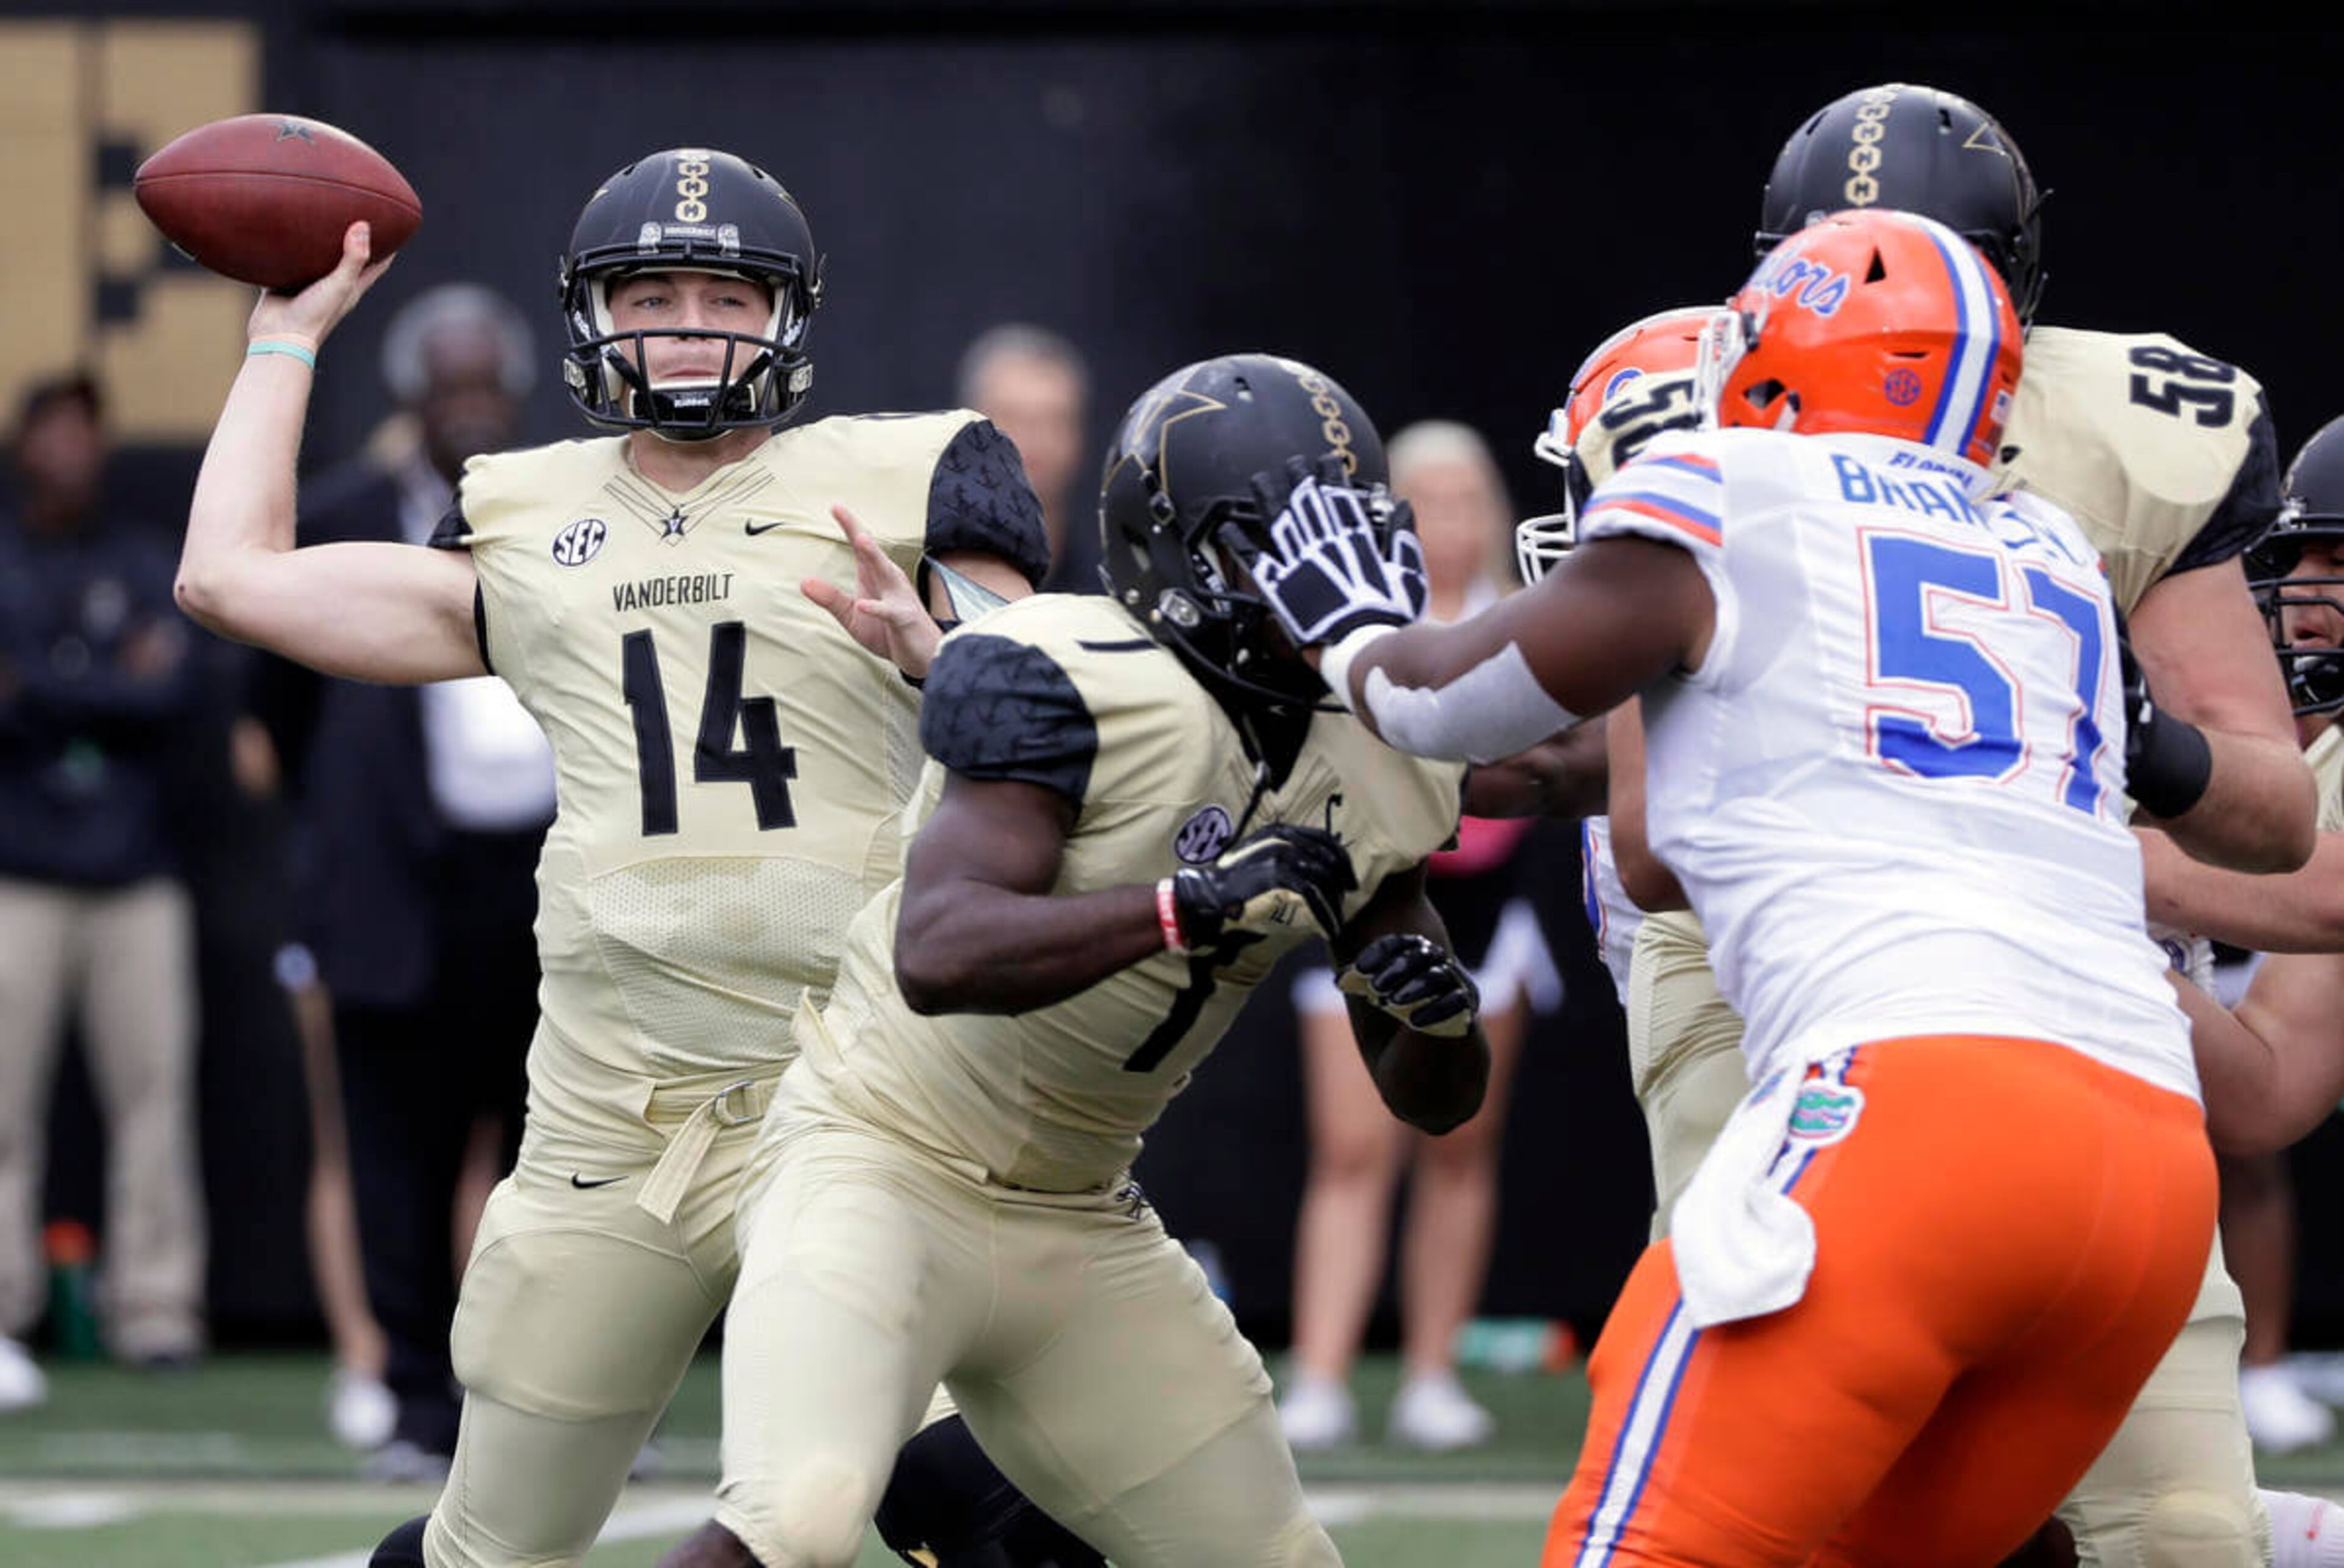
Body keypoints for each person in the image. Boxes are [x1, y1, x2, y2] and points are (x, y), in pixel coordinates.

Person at [1261, 206, 2218, 1563]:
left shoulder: (1733, 482)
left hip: (1922, 1106)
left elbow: (1450, 705)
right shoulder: (2051, 548)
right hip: (2150, 1167)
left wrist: (1353, 632)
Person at [174, 146, 1085, 1568]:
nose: (689, 329)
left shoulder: (911, 478)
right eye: (652, 297)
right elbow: (229, 577)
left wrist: (944, 659)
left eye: (726, 297)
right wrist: (285, 339)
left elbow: (1060, 724)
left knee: (975, 1504)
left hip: (853, 1101)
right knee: (490, 1545)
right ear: (591, 318)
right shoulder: (526, 514)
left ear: (788, 316)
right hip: (619, 1121)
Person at [1553, 82, 2317, 1568]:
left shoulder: (2135, 431)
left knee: (2173, 1526)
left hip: (2045, 956)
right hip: (1763, 956)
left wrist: (2131, 747)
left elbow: (2272, 812)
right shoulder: (1678, 407)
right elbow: (1651, 845)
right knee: (1767, 1478)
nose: (1879, 326)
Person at [664, 353, 1489, 1568]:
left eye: (1347, 542)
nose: (1330, 585)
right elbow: (940, 948)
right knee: (798, 1517)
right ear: (1179, 553)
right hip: (880, 1162)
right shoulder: (1064, 668)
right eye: (1285, 547)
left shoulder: (1380, 748)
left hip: (1082, 1213)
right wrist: (1185, 905)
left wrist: (1440, 1018)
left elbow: (1434, 1097)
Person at [253, 281, 552, 1476]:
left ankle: (557, 1409)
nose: (470, 406)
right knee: (400, 1161)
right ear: (412, 400)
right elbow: (279, 700)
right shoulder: (343, 519)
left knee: (554, 1161)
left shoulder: (562, 514)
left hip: (547, 889)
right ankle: (420, 1405)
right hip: (398, 890)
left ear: (515, 397)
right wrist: (351, 816)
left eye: (488, 386)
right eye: (450, 386)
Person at [1278, 418, 1558, 1452]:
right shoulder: (1357, 626)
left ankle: (1433, 1375)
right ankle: (1320, 1374)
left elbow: (1549, 769)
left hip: (1492, 921)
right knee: (1353, 1150)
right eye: (1424, 501)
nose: (1445, 521)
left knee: (1459, 1144)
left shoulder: (1528, 620)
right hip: (1364, 906)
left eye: (1463, 500)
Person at [0, 370, 206, 1409]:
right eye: (53, 433)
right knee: (3, 1103)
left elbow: (170, 692)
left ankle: (154, 1308)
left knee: (155, 1098)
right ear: (24, 446)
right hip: (19, 873)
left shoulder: (141, 560)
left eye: (87, 432)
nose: (70, 451)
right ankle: (3, 1312)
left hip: (136, 876)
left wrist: (39, 686)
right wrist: (103, 685)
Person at [957, 323, 1095, 594]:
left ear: (1078, 436)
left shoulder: (1112, 599)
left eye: (1054, 419)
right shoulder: (920, 591)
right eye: (1011, 417)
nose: (1033, 437)